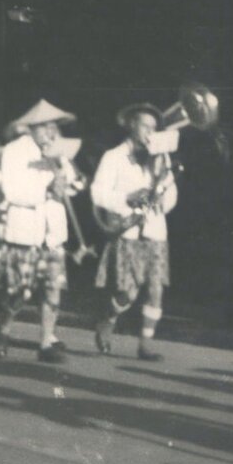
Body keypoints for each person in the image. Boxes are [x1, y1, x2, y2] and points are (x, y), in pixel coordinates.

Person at [0, 99, 80, 363]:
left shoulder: (57, 153)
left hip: (52, 234)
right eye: (46, 127)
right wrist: (46, 189)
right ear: (33, 128)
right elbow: (13, 190)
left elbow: (72, 184)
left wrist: (67, 180)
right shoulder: (15, 151)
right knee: (18, 290)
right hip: (24, 231)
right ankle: (2, 329)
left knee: (52, 289)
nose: (51, 132)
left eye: (54, 127)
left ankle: (47, 340)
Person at [90, 103, 179, 361]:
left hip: (155, 232)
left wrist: (164, 196)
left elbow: (171, 194)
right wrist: (127, 198)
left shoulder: (161, 157)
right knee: (126, 293)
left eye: (154, 127)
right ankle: (108, 318)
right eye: (145, 126)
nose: (150, 132)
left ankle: (145, 344)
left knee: (155, 290)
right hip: (128, 232)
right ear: (131, 125)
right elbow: (98, 193)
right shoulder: (113, 156)